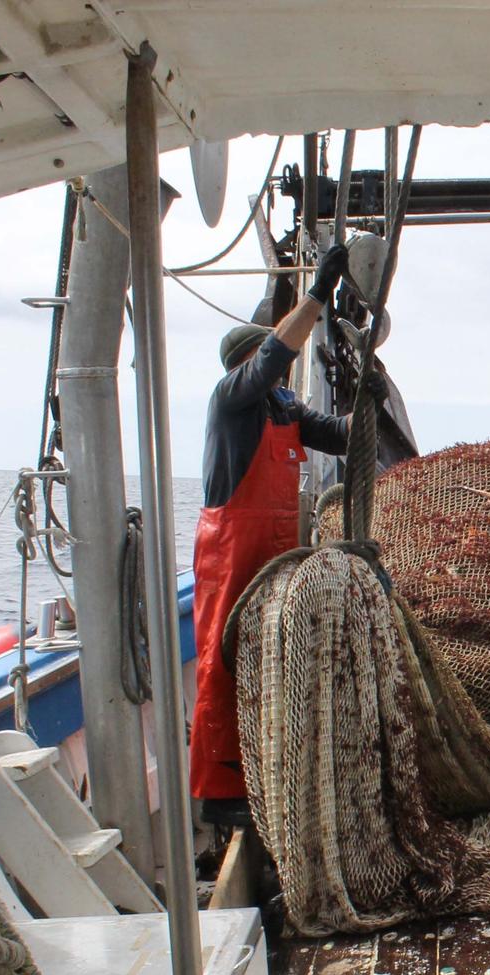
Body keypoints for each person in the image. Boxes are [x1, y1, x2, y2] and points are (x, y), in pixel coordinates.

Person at [191, 243, 353, 823]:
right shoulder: (233, 397)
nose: (282, 377)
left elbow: (336, 434)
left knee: (268, 656)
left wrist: (369, 411)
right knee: (222, 660)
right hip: (232, 549)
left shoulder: (283, 406)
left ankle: (265, 767)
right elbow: (270, 357)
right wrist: (316, 295)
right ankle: (220, 791)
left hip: (277, 549)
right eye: (274, 368)